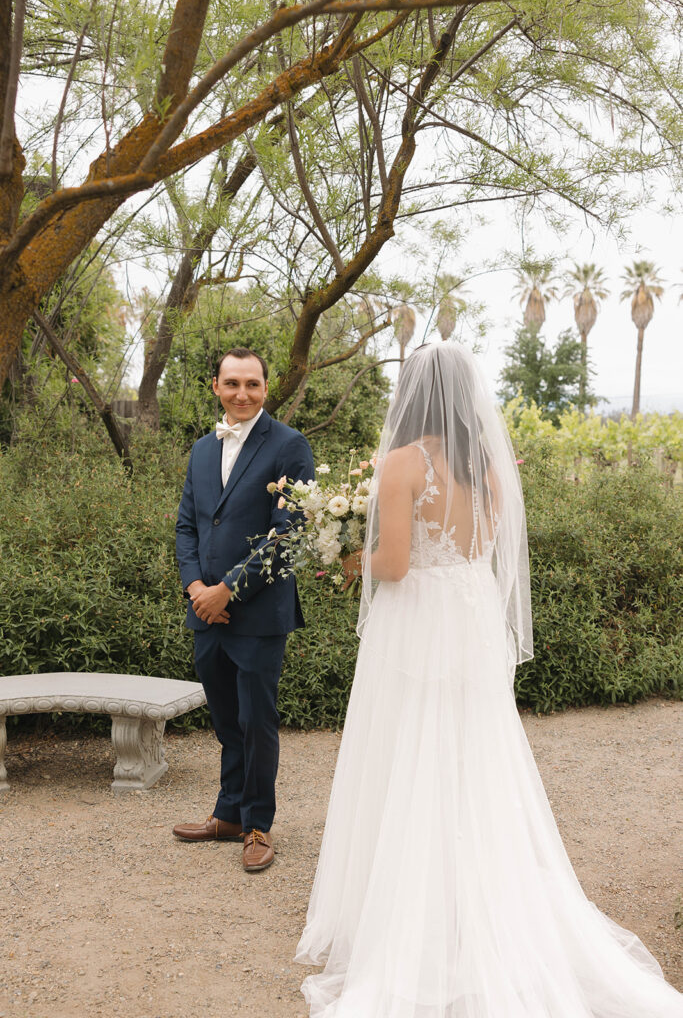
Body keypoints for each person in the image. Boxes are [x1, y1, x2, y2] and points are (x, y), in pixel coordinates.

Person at [295, 342, 682, 1016]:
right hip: (471, 620)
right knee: (472, 759)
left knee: (411, 754)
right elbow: (484, 551)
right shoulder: (491, 469)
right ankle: (478, 900)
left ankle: (415, 917)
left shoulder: (399, 464)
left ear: (410, 395)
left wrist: (349, 558)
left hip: (418, 623)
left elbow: (393, 566)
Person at [174, 347, 314, 872]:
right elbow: (188, 525)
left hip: (255, 613)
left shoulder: (289, 446)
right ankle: (227, 814)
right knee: (227, 719)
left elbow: (290, 535)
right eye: (232, 383)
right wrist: (196, 589)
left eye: (252, 384)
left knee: (257, 721)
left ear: (266, 388)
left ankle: (258, 825)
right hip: (204, 610)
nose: (242, 393)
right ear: (215, 386)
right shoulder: (201, 450)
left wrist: (228, 589)